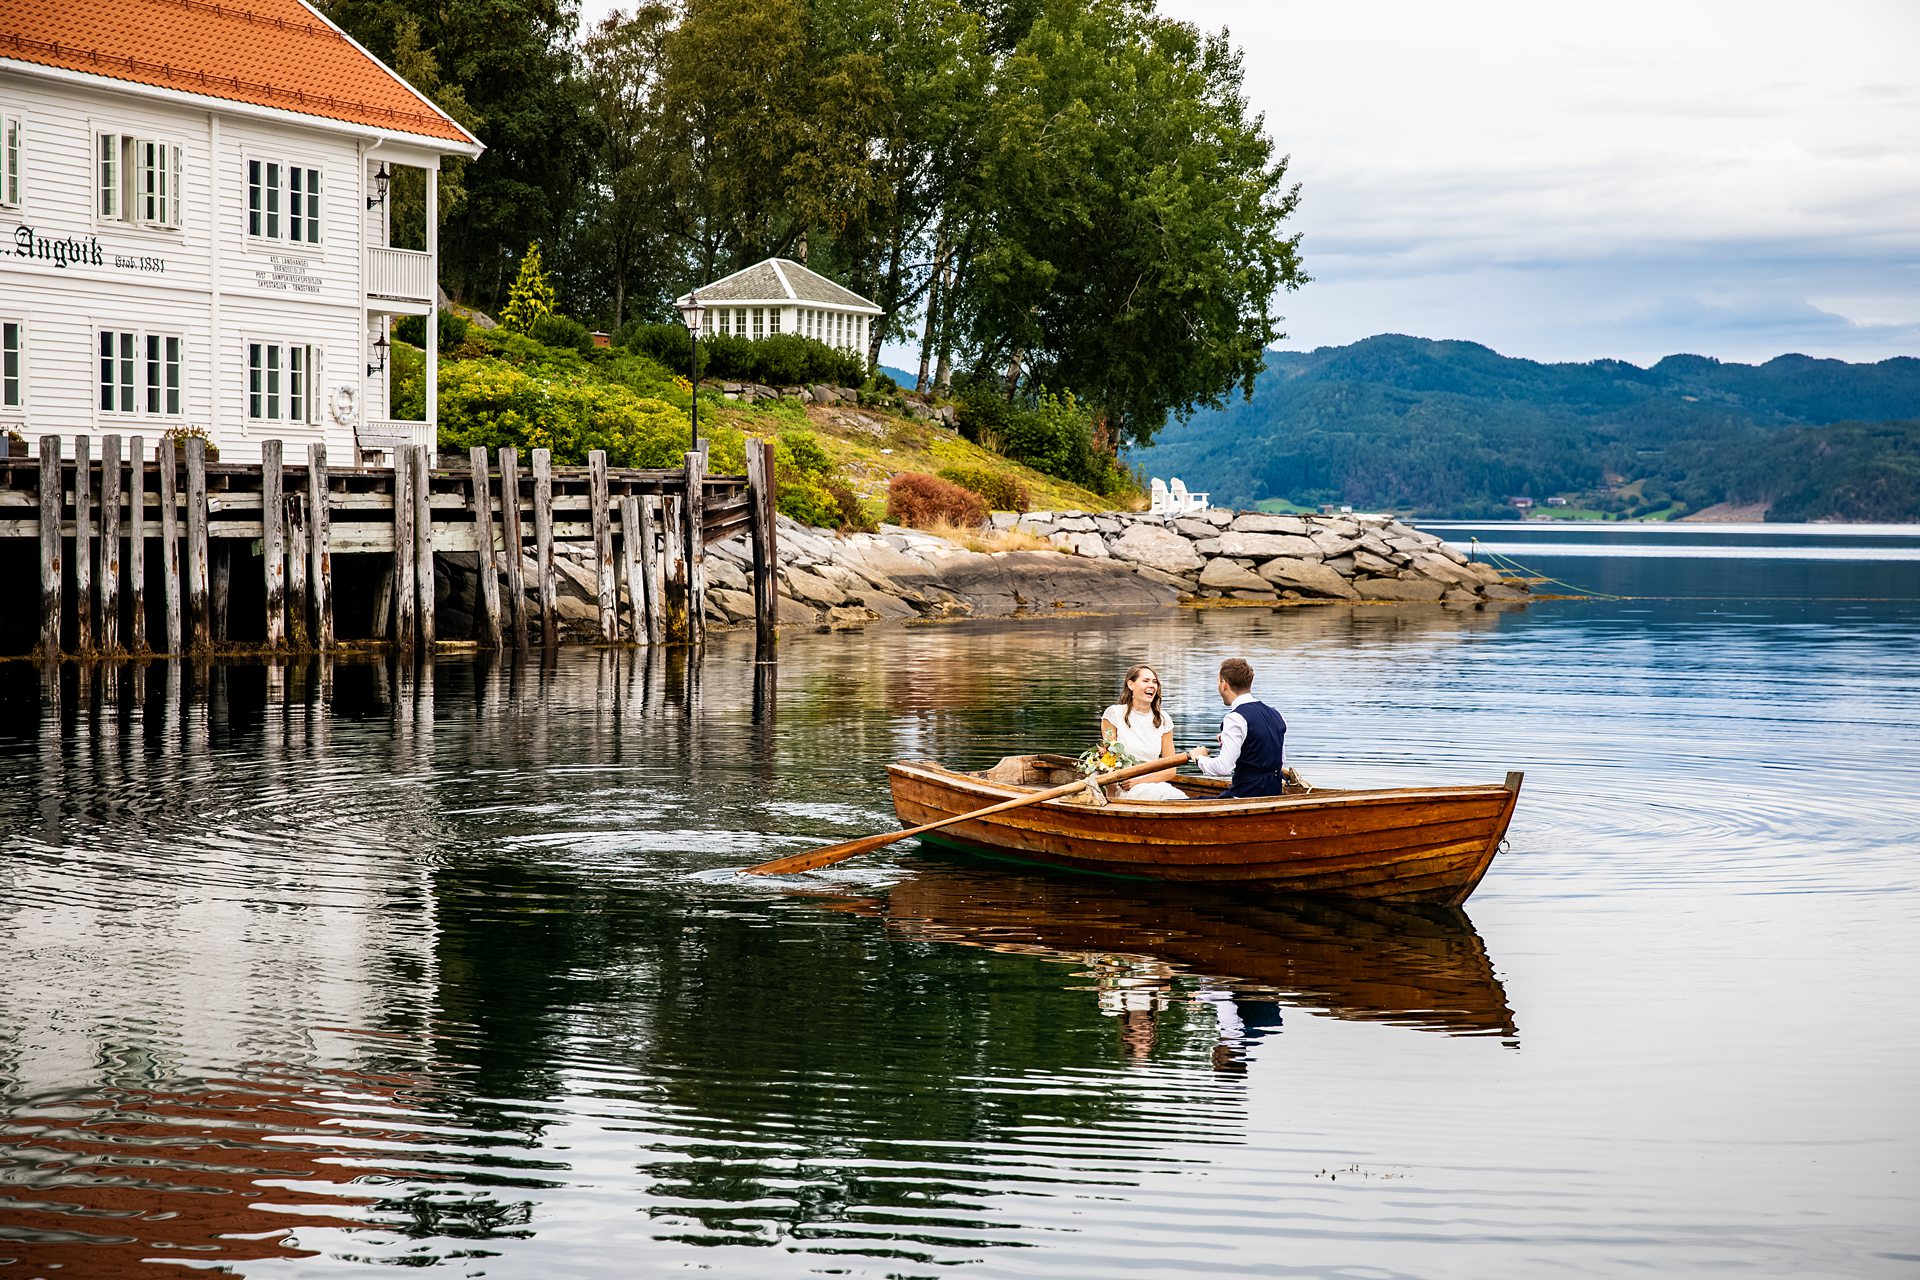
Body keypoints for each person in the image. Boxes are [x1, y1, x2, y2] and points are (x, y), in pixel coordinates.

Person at [1191, 657, 1288, 798]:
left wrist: (1199, 758)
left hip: (1243, 796)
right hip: (1273, 796)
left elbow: (1224, 767)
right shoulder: (1276, 714)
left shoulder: (1234, 719)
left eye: (1218, 682)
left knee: (1190, 801)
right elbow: (1278, 760)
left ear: (1224, 684)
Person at [1100, 664, 1189, 801]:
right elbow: (1109, 762)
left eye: (1155, 682)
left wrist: (1139, 782)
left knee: (1173, 796)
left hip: (1151, 783)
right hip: (1123, 786)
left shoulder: (1163, 719)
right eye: (1146, 681)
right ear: (1131, 684)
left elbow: (1170, 770)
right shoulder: (1114, 714)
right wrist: (1110, 800)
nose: (1152, 685)